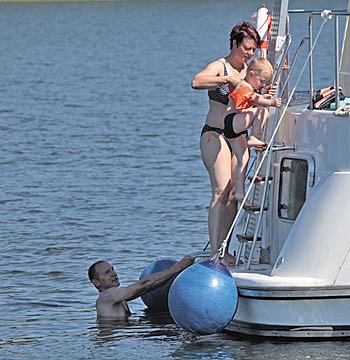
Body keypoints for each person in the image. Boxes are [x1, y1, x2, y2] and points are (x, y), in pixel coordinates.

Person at [190, 22, 262, 256]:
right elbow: (197, 82)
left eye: (254, 49)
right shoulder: (220, 66)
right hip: (215, 134)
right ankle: (213, 252)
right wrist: (226, 80)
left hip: (238, 137)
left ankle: (225, 248)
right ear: (234, 44)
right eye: (247, 48)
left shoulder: (250, 69)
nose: (250, 53)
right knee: (221, 190)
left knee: (233, 194)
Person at [91, 256, 197, 318]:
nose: (113, 274)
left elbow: (148, 287)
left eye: (113, 269)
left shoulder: (118, 297)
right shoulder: (106, 297)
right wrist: (177, 268)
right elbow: (144, 285)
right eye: (107, 272)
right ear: (96, 282)